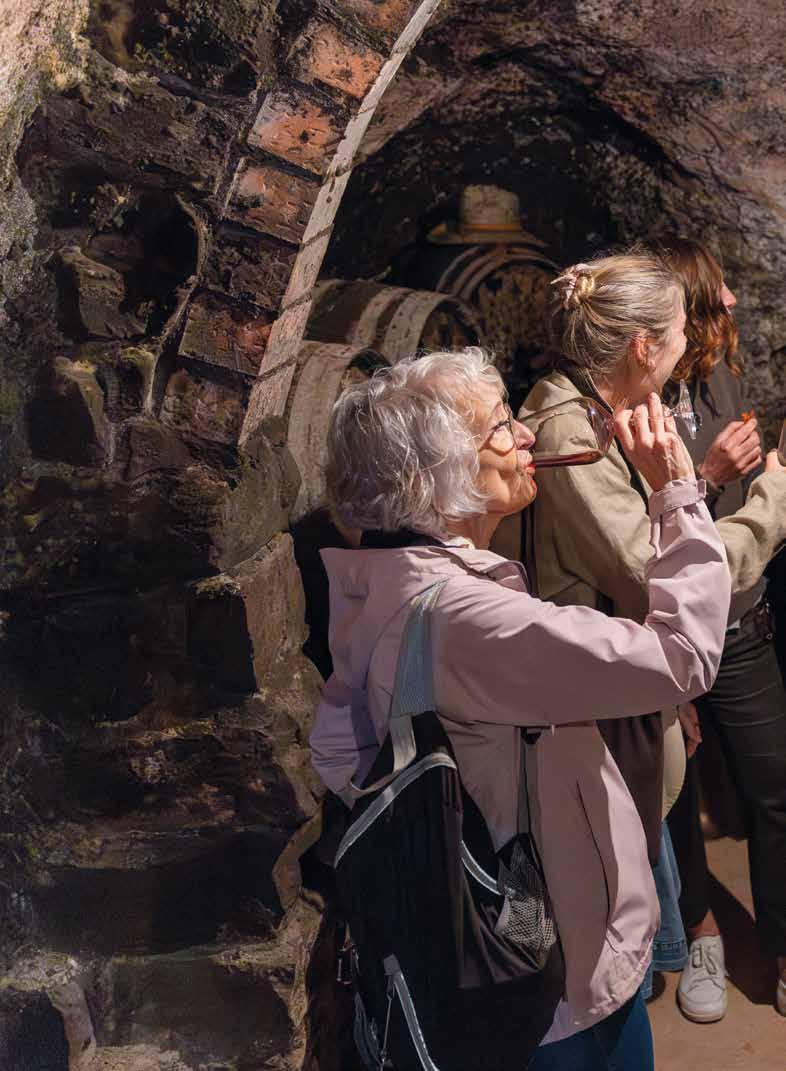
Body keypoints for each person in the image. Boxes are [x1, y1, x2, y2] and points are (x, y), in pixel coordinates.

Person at [310, 346, 731, 1070]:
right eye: (502, 427)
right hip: (550, 984)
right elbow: (683, 656)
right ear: (440, 478)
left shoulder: (386, 578)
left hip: (513, 967)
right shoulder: (463, 619)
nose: (527, 434)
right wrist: (676, 491)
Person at [522, 251, 786, 1025]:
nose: (689, 341)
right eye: (677, 331)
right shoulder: (571, 433)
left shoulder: (603, 412)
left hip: (625, 699)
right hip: (591, 725)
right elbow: (669, 576)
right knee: (606, 966)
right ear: (644, 346)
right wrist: (773, 500)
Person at [654, 237, 786, 1021]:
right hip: (664, 632)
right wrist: (709, 478)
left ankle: (783, 946)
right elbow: (635, 540)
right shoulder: (632, 400)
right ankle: (700, 930)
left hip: (739, 622)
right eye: (719, 289)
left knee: (778, 785)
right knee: (671, 791)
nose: (734, 300)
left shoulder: (716, 369)